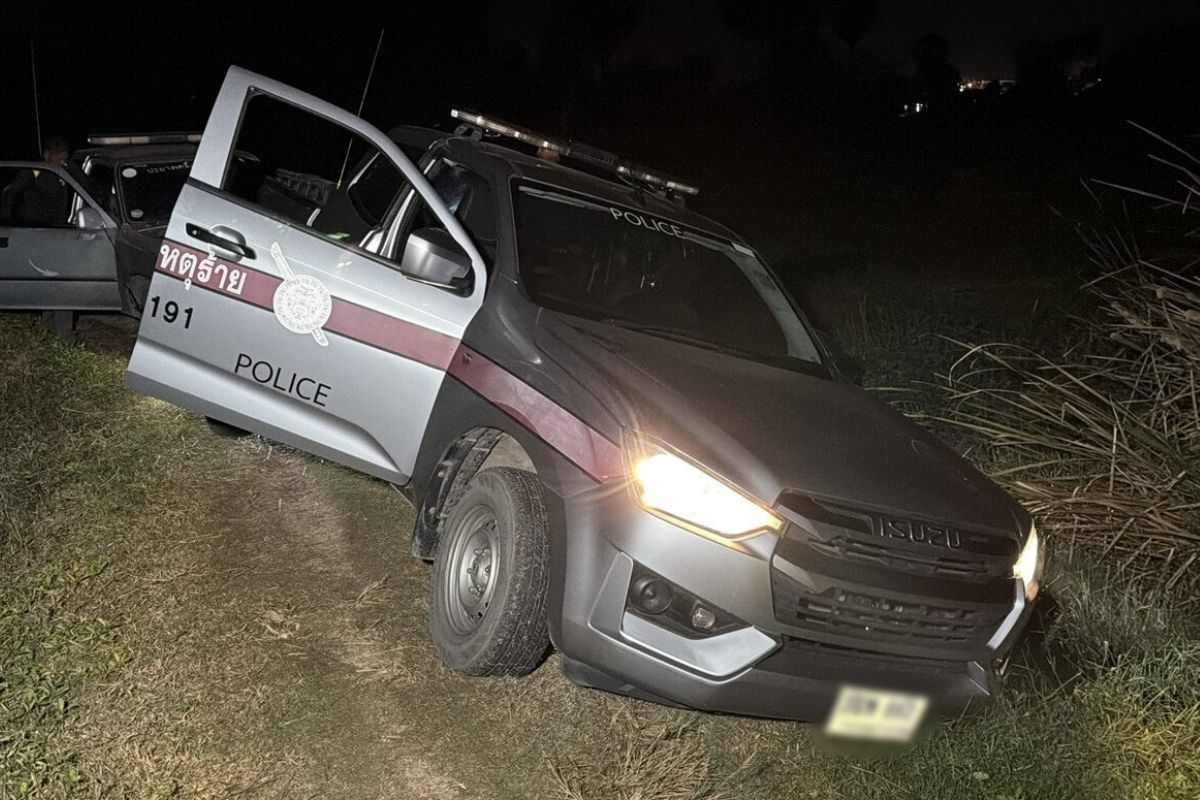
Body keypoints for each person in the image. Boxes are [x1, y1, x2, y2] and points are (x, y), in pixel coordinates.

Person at [0, 135, 74, 225]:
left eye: (64, 160)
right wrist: (6, 222)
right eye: (59, 159)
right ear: (47, 155)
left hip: (56, 228)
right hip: (34, 227)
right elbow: (9, 194)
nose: (63, 163)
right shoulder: (33, 172)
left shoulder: (63, 174)